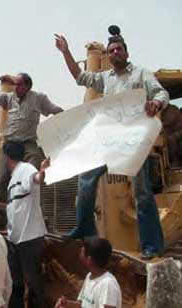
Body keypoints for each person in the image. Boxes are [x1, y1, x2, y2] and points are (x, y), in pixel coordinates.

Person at [55, 25, 169, 259]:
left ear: (126, 53)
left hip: (136, 140)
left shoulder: (141, 74)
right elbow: (80, 77)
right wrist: (66, 52)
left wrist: (156, 104)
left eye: (119, 49)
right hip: (111, 140)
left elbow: (161, 93)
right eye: (111, 50)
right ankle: (85, 226)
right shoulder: (105, 79)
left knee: (142, 194)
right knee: (86, 176)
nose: (115, 53)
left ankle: (152, 246)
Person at [0, 64, 63, 201]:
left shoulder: (39, 98)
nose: (15, 88)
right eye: (14, 85)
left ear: (27, 86)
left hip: (28, 145)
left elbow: (55, 109)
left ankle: (30, 204)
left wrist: (70, 117)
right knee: (0, 181)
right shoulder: (9, 98)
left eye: (18, 85)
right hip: (10, 145)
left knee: (32, 173)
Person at [3, 141, 50, 308]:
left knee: (33, 283)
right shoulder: (13, 178)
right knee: (16, 283)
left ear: (6, 156)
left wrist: (42, 173)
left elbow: (37, 178)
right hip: (15, 240)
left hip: (29, 238)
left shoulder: (25, 169)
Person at [55, 237, 122, 308]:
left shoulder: (108, 284)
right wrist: (68, 303)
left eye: (82, 250)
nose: (80, 251)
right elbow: (82, 304)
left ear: (89, 259)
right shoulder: (90, 276)